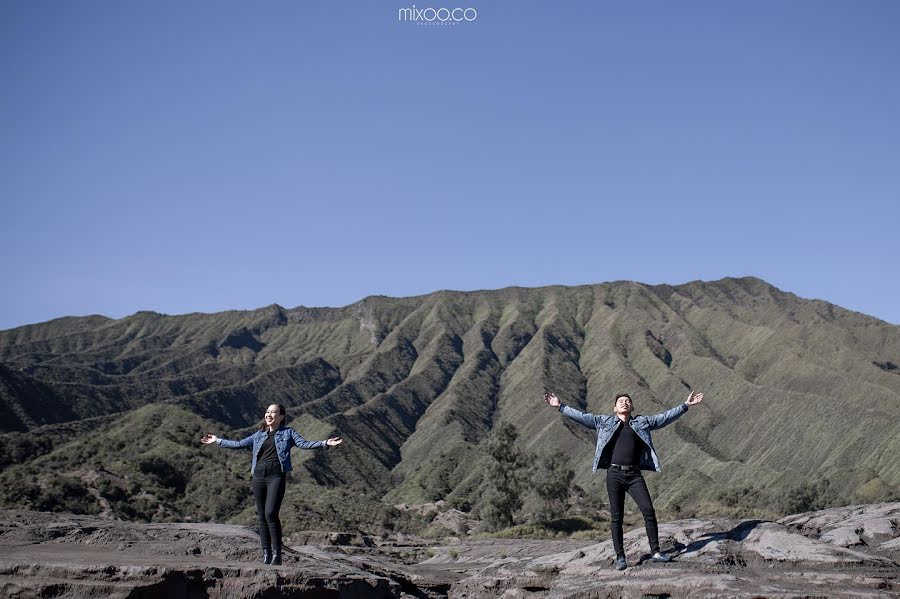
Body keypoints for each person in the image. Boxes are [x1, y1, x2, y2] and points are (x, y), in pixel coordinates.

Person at [543, 390, 704, 571]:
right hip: (614, 474)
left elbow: (663, 418)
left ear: (632, 407)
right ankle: (620, 557)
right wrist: (560, 406)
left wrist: (685, 405)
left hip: (634, 475)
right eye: (620, 401)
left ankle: (656, 552)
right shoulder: (604, 422)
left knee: (648, 511)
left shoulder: (641, 422)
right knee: (616, 517)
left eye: (628, 401)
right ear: (614, 408)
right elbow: (582, 417)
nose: (624, 403)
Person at [201, 403, 343, 565]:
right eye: (267, 412)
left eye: (273, 412)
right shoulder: (259, 435)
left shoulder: (288, 433)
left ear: (281, 416)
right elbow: (238, 444)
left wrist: (325, 443)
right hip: (259, 477)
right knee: (262, 516)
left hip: (276, 476)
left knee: (270, 514)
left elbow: (304, 444)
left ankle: (277, 554)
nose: (269, 414)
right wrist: (217, 440)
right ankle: (266, 554)